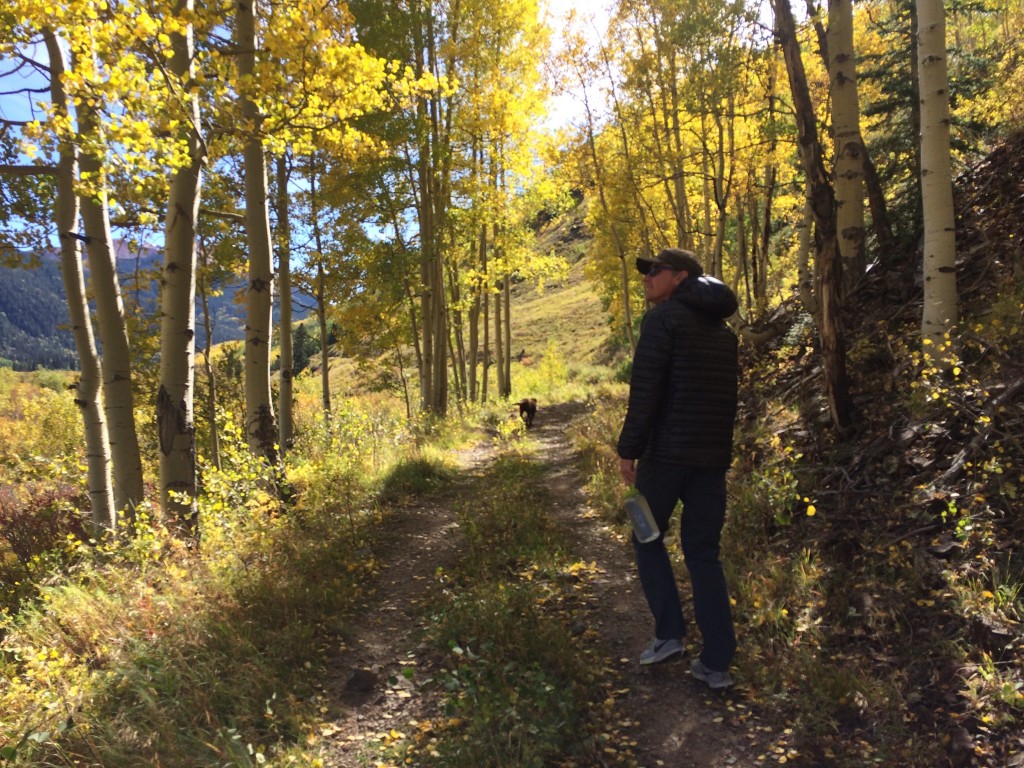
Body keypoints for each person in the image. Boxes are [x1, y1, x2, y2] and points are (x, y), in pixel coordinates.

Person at [617, 247, 739, 690]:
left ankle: (669, 634)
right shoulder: (724, 333)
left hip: (665, 458)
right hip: (710, 461)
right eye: (646, 270)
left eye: (656, 270)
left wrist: (628, 450)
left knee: (646, 536)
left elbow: (645, 392)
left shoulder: (661, 322)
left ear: (681, 276)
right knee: (704, 553)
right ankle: (717, 662)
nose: (647, 277)